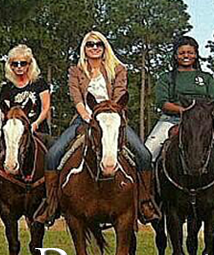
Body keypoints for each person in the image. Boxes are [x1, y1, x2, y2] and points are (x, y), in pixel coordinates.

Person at [37, 31, 158, 225]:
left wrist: (111, 113)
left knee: (143, 154)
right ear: (84, 48)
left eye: (98, 44)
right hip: (85, 119)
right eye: (90, 44)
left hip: (113, 119)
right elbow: (76, 96)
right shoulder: (75, 71)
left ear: (104, 48)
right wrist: (86, 116)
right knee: (53, 154)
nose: (94, 47)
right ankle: (51, 204)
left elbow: (120, 94)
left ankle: (144, 202)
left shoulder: (118, 69)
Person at [144, 36, 214, 189]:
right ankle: (147, 194)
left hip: (202, 123)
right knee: (147, 154)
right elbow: (162, 103)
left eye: (190, 52)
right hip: (171, 120)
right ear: (175, 56)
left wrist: (197, 115)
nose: (186, 56)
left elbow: (213, 102)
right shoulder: (166, 78)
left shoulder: (206, 78)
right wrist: (184, 111)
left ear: (196, 54)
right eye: (181, 53)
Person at [0, 44, 51, 214]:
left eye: (23, 63)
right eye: (15, 64)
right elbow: (4, 112)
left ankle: (54, 198)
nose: (19, 67)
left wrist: (34, 124)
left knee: (55, 157)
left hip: (37, 131)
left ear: (30, 64)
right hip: (13, 133)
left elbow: (45, 108)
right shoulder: (7, 88)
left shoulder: (39, 83)